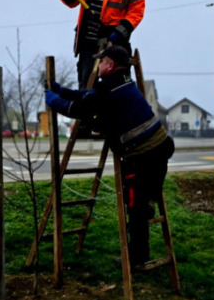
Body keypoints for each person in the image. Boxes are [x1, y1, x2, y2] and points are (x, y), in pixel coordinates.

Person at [44, 45, 173, 266]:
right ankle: (148, 202)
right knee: (143, 198)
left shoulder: (110, 90)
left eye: (101, 61)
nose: (99, 65)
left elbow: (79, 108)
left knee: (135, 207)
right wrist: (62, 91)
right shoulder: (123, 83)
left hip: (143, 156)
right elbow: (88, 96)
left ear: (110, 65)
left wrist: (54, 100)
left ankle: (138, 257)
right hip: (161, 147)